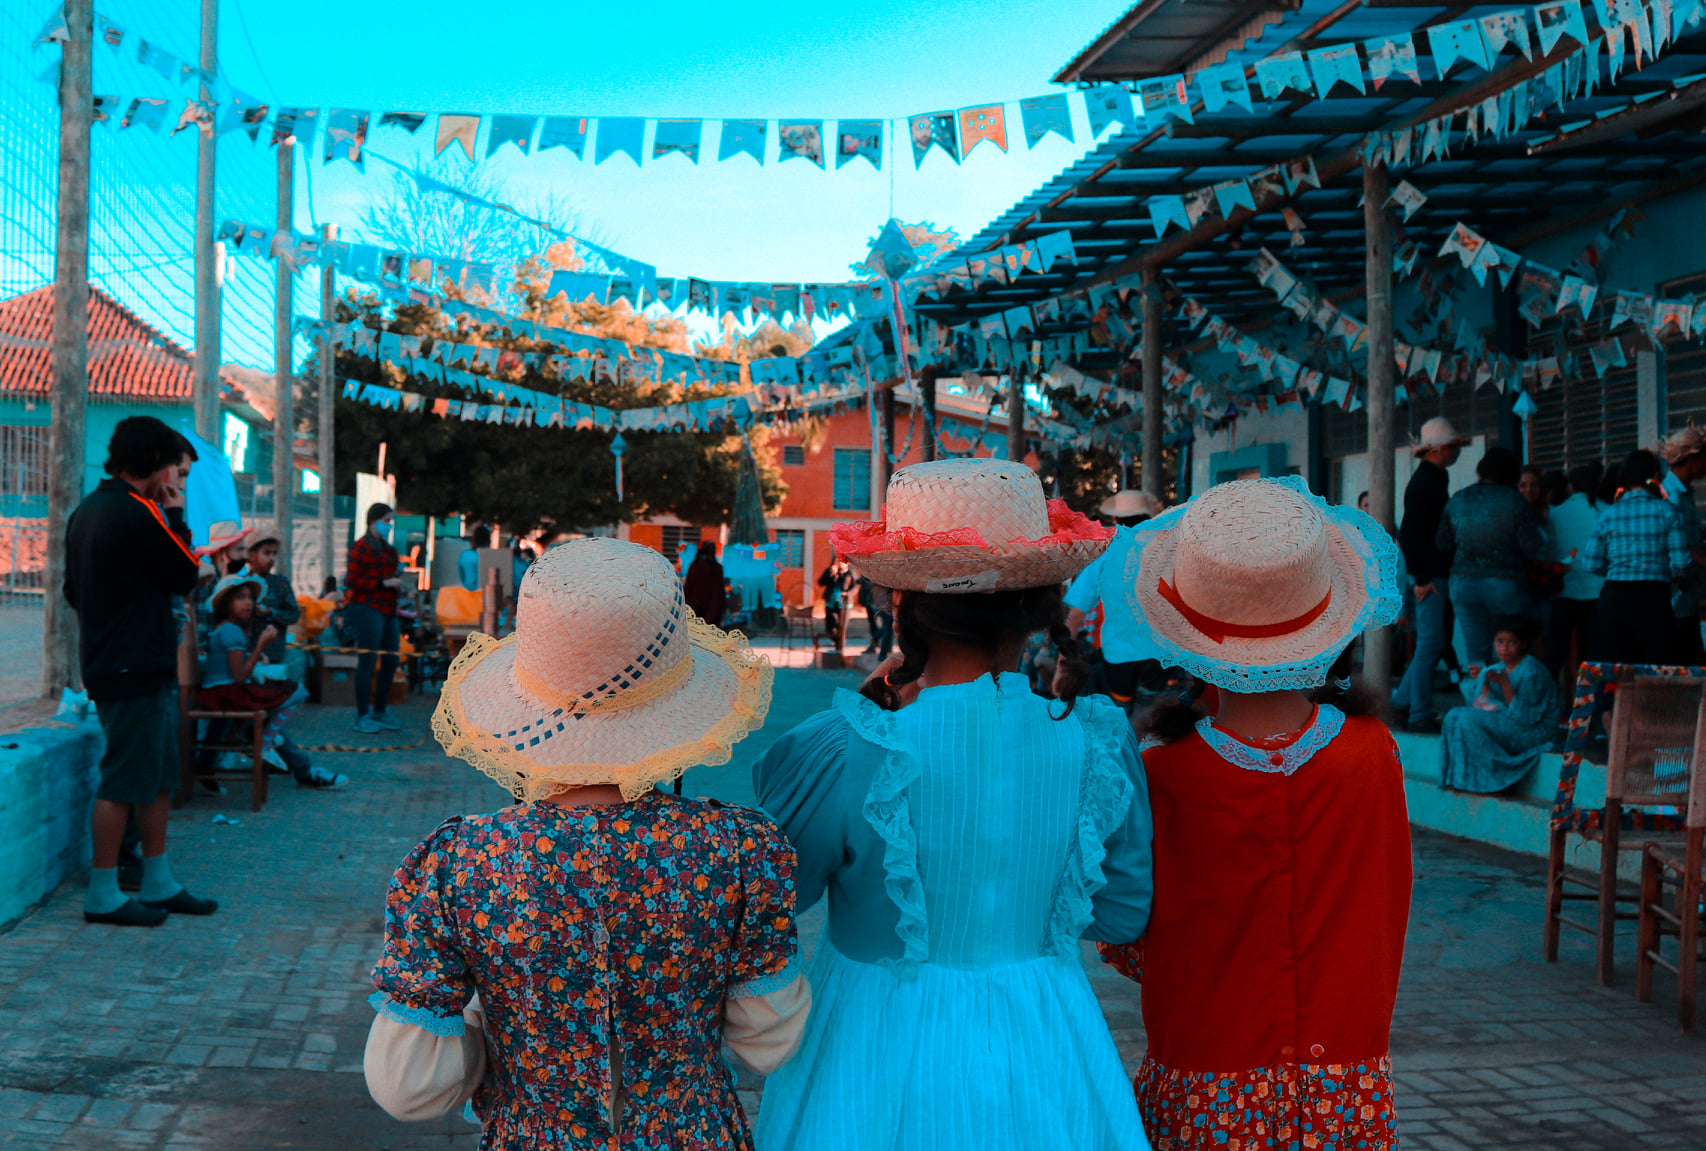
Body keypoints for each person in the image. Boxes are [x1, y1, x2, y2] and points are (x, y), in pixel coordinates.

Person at [754, 458, 1152, 1150]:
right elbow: (1122, 909)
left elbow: (772, 890)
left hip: (873, 1048)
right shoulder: (1098, 741)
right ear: (1037, 606)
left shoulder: (850, 745)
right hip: (1049, 1044)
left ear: (903, 605)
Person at [364, 537, 802, 1146]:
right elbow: (768, 1042)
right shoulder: (740, 849)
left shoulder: (460, 864)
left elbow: (409, 1087)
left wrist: (487, 1014)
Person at [1095, 476, 1410, 1151]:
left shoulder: (1162, 771)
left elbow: (1128, 941)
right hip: (1345, 1087)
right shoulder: (1373, 753)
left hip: (1205, 1083)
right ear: (1327, 624)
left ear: (1187, 636)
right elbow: (1391, 898)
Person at [64, 415, 217, 926]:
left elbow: (72, 592)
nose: (177, 480)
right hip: (132, 666)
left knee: (155, 779)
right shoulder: (137, 511)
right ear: (156, 462)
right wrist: (175, 515)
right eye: (177, 469)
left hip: (122, 662)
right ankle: (103, 892)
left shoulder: (89, 509)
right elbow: (185, 573)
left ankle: (157, 879)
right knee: (124, 781)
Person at [199, 575, 347, 791]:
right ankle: (266, 743)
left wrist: (255, 655)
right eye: (240, 597)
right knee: (295, 691)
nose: (248, 602)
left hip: (224, 692)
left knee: (275, 704)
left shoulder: (226, 629)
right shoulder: (231, 630)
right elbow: (239, 675)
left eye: (250, 598)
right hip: (228, 694)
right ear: (225, 603)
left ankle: (274, 748)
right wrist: (260, 646)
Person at [1582, 449, 1693, 665]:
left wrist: (1619, 569)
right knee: (1656, 671)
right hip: (1653, 599)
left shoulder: (1608, 514)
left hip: (1613, 598)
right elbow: (1681, 563)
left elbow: (1590, 563)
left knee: (1616, 671)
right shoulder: (1668, 511)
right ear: (1654, 476)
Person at [1437, 445, 1543, 667]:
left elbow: (1443, 544)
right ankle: (1510, 697)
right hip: (1505, 584)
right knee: (1509, 649)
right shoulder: (1514, 500)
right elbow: (1531, 546)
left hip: (1463, 583)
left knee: (1476, 650)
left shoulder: (1459, 498)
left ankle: (1482, 698)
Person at [1393, 417, 1467, 731]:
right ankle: (1419, 712)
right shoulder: (1428, 481)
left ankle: (1402, 705)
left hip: (1431, 574)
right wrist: (1421, 577)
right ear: (1438, 449)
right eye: (1451, 446)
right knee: (1431, 644)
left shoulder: (1431, 477)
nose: (1455, 452)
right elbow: (1409, 533)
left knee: (1432, 644)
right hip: (1431, 576)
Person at [1066, 488, 1163, 710]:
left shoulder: (1106, 559)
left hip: (1119, 653)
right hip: (1161, 651)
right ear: (1148, 518)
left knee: (1122, 714)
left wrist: (1065, 658)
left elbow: (1075, 615)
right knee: (1155, 714)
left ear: (1117, 521)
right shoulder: (1165, 554)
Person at [1439, 616, 1558, 793]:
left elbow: (1524, 717)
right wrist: (1483, 681)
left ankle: (1494, 780)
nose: (1504, 648)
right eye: (1500, 642)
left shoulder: (1532, 671)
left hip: (1533, 732)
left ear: (1523, 644)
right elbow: (1485, 705)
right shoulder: (1501, 666)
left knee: (1465, 719)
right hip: (1511, 722)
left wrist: (1504, 683)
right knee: (1453, 716)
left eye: (1512, 643)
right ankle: (1459, 779)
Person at [346, 503, 404, 733]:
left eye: (390, 521)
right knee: (368, 662)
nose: (389, 526)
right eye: (386, 521)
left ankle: (380, 710)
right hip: (367, 608)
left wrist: (398, 584)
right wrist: (382, 583)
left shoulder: (388, 550)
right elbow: (352, 581)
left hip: (388, 609)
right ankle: (362, 715)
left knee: (390, 660)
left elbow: (391, 574)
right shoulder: (360, 548)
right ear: (374, 520)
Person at [1546, 462, 1605, 685]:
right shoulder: (1607, 511)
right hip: (1597, 592)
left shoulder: (1555, 514)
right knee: (1592, 655)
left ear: (1571, 486)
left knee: (1556, 655)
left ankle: (1550, 708)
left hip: (1563, 590)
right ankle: (1589, 708)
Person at [1661, 425, 1706, 663]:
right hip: (1675, 600)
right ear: (1691, 459)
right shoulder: (1672, 495)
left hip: (1687, 600)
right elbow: (1682, 546)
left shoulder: (1684, 493)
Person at [683, 541, 727, 625]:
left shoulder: (695, 566)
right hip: (713, 607)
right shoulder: (717, 568)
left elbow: (688, 587)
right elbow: (719, 590)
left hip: (695, 606)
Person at [815, 557, 853, 653]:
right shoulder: (830, 571)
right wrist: (831, 573)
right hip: (830, 603)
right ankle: (836, 645)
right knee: (831, 627)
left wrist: (848, 593)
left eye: (842, 561)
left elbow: (855, 586)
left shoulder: (849, 573)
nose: (839, 563)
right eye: (837, 560)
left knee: (842, 628)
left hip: (844, 605)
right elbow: (820, 582)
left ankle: (840, 650)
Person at [457, 525, 492, 592]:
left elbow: (461, 575)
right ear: (488, 540)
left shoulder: (465, 555)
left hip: (468, 594)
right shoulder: (492, 556)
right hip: (487, 594)